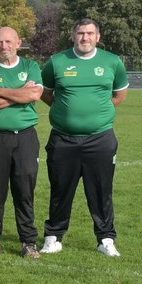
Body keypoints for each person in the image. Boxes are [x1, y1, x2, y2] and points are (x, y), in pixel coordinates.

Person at [40, 18, 128, 257]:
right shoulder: (56, 62)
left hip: (100, 139)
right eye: (80, 33)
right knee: (60, 190)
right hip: (63, 139)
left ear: (97, 36)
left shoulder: (112, 62)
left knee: (101, 191)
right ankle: (53, 237)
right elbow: (46, 94)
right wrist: (65, 112)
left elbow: (119, 95)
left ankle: (106, 239)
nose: (85, 38)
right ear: (73, 35)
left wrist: (99, 113)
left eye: (90, 33)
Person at [0, 27, 43, 258]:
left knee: (24, 190)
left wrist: (1, 91)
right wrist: (18, 94)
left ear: (18, 43)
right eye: (0, 42)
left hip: (24, 136)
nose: (4, 46)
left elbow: (33, 95)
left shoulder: (30, 66)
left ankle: (28, 242)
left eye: (9, 41)